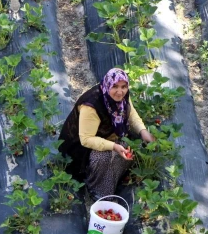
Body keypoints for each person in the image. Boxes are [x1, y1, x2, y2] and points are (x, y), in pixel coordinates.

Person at [58, 68, 154, 200]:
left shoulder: (123, 96)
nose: (120, 92)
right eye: (114, 86)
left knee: (132, 146)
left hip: (108, 136)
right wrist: (114, 146)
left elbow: (131, 114)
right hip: (81, 149)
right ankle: (99, 192)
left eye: (124, 87)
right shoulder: (91, 105)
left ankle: (115, 178)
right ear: (108, 84)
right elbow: (86, 139)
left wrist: (143, 131)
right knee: (103, 158)